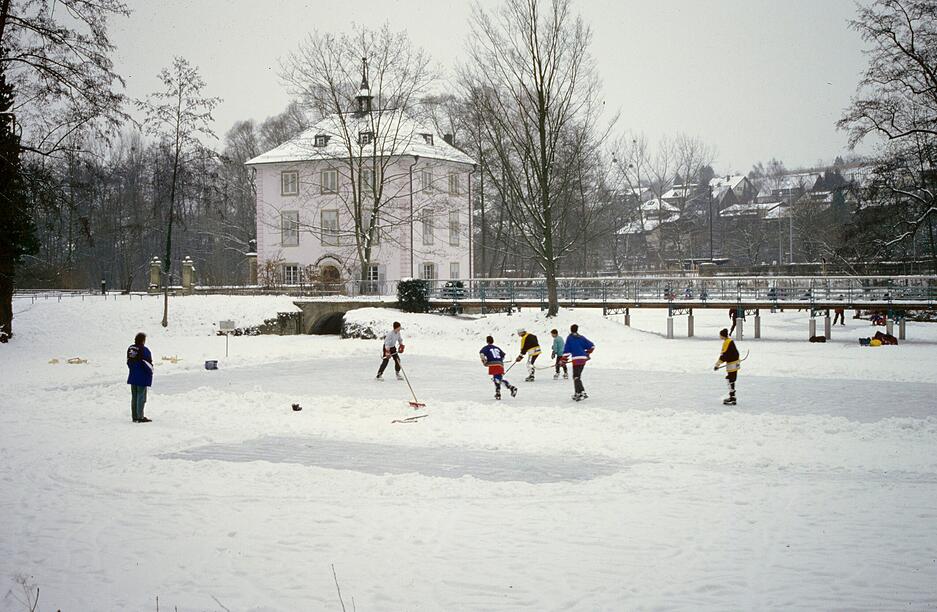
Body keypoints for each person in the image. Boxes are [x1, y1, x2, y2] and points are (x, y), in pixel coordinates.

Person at [561, 324, 595, 401]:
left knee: (576, 377)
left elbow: (567, 350)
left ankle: (582, 392)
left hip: (576, 360)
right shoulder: (581, 337)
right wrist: (586, 353)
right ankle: (577, 393)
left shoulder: (570, 338)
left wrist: (563, 360)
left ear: (571, 329)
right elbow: (592, 346)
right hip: (583, 359)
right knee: (577, 376)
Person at [479, 336, 518, 400]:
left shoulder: (485, 348)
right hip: (500, 364)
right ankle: (498, 393)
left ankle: (510, 388)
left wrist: (484, 362)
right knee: (497, 378)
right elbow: (503, 355)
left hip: (493, 364)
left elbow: (482, 354)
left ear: (487, 341)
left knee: (497, 379)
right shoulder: (497, 348)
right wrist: (500, 360)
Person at [126, 332, 154, 423]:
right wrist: (150, 372)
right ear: (143, 340)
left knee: (134, 397)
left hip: (133, 376)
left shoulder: (131, 348)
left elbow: (128, 362)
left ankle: (134, 416)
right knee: (141, 397)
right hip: (142, 377)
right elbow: (148, 363)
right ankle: (140, 417)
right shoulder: (144, 350)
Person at [714, 328, 740, 405]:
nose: (719, 336)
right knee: (732, 379)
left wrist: (717, 365)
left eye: (720, 335)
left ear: (722, 335)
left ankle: (732, 397)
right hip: (735, 363)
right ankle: (732, 397)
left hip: (732, 364)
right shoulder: (730, 341)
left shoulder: (726, 343)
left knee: (729, 379)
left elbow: (724, 355)